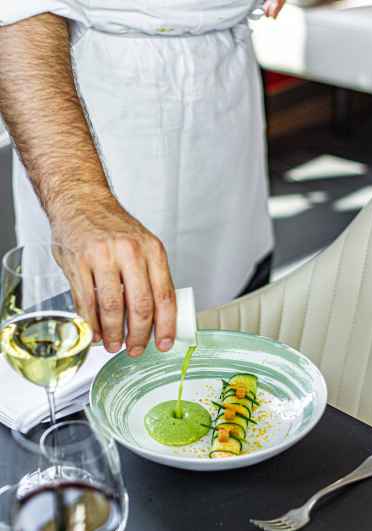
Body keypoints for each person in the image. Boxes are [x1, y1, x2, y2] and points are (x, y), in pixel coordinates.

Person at [0, 0, 284, 357]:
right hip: (93, 97)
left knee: (229, 319)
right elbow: (16, 14)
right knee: (98, 332)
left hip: (226, 86)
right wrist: (82, 201)